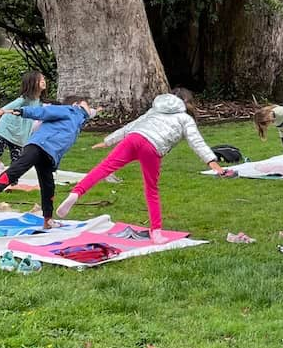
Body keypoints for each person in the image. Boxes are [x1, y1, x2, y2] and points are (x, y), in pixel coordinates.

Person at [57, 88, 227, 243]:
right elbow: (196, 142)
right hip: (152, 148)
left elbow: (132, 125)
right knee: (151, 189)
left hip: (134, 138)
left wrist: (108, 141)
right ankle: (156, 231)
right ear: (187, 102)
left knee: (104, 167)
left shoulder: (154, 110)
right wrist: (212, 162)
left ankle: (76, 193)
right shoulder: (185, 118)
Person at [0, 96, 96, 229]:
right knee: (18, 168)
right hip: (39, 145)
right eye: (86, 104)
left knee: (48, 186)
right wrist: (22, 111)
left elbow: (92, 112)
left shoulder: (78, 120)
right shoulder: (68, 110)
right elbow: (43, 112)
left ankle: (48, 220)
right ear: (77, 105)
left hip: (50, 155)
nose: (89, 107)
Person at [0, 71, 46, 183]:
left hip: (20, 133)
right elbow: (6, 108)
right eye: (40, 80)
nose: (44, 81)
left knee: (17, 160)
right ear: (32, 83)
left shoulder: (39, 101)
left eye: (43, 79)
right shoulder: (24, 99)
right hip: (7, 129)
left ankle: (12, 183)